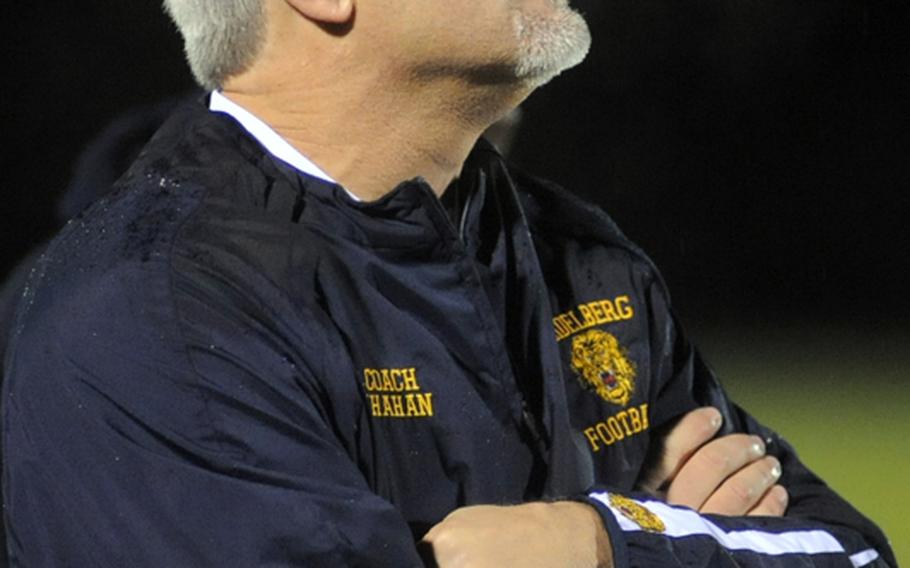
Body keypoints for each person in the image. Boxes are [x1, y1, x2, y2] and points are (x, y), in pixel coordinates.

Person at [1, 0, 893, 566]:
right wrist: (681, 540)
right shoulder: (154, 321)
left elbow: (853, 553)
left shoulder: (576, 256)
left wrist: (600, 544)